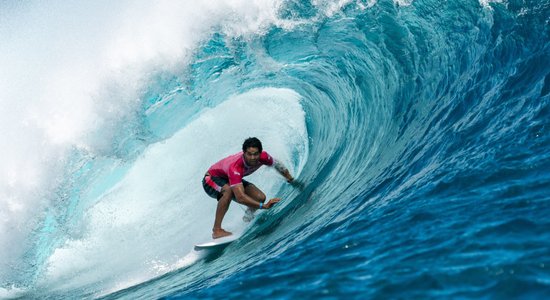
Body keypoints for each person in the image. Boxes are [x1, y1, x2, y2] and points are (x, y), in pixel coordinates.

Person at [202, 137, 295, 239]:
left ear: (260, 152)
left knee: (259, 197)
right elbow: (241, 197)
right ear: (244, 153)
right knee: (227, 191)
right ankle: (217, 230)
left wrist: (290, 178)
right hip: (211, 180)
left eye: (255, 154)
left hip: (228, 179)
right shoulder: (235, 167)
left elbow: (277, 165)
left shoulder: (264, 157)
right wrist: (264, 206)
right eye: (249, 154)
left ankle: (247, 219)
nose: (253, 157)